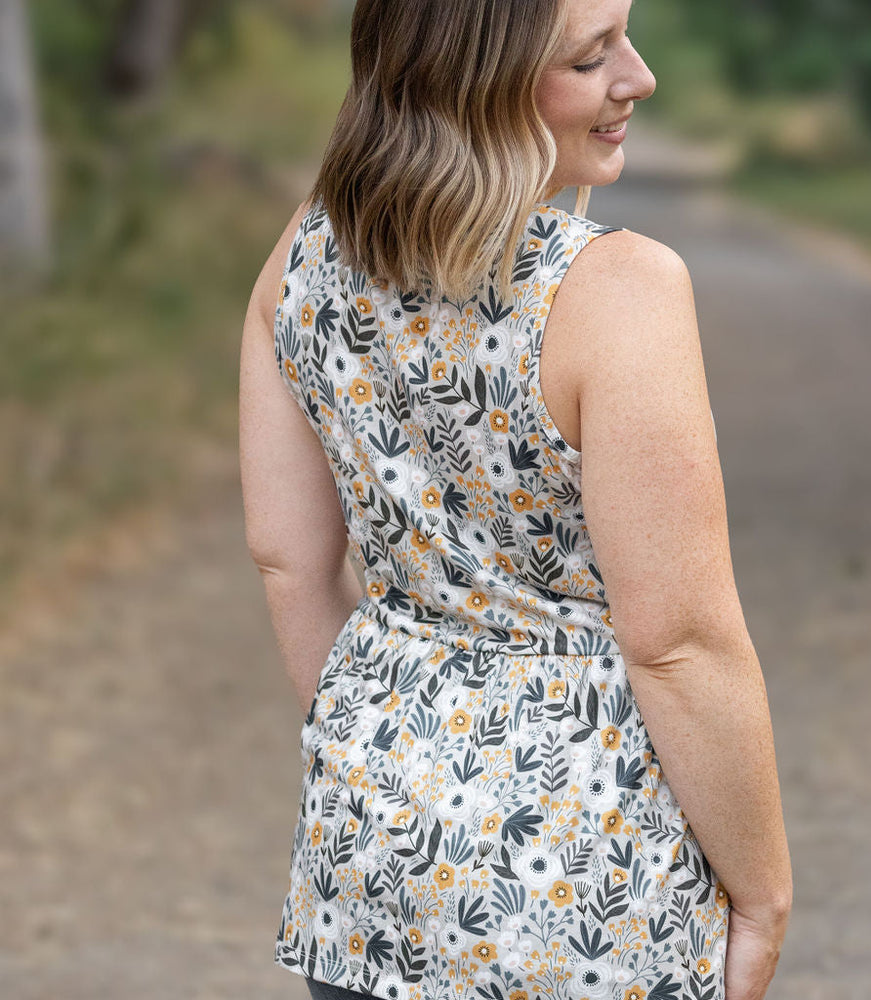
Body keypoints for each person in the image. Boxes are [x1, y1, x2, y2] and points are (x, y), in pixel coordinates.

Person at [240, 1, 793, 999]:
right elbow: (675, 640)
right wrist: (760, 895)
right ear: (476, 84)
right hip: (587, 897)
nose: (638, 77)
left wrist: (391, 763)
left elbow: (287, 557)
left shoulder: (304, 251)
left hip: (372, 870)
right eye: (591, 58)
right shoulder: (617, 290)